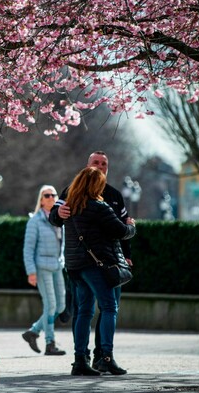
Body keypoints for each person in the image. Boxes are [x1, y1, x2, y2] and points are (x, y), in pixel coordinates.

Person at [49, 151, 133, 369]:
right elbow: (122, 229)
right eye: (96, 162)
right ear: (87, 165)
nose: (99, 166)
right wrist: (59, 214)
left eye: (104, 163)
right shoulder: (78, 195)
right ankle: (104, 357)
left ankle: (84, 359)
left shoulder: (113, 195)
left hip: (80, 263)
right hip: (100, 263)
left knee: (86, 310)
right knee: (108, 308)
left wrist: (127, 255)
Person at [21, 185, 66, 356]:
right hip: (42, 267)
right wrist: (31, 272)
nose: (51, 197)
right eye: (46, 195)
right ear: (41, 199)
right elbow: (28, 249)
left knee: (61, 306)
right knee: (51, 305)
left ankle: (33, 331)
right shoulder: (35, 221)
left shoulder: (60, 220)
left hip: (57, 266)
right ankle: (50, 343)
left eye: (54, 195)